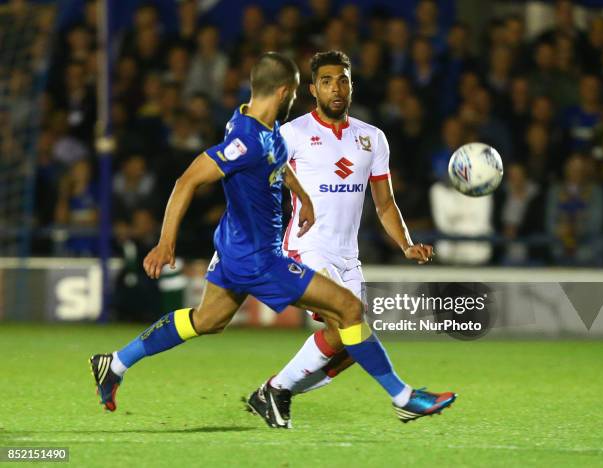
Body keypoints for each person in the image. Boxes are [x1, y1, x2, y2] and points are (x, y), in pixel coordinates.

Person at [89, 52, 456, 429]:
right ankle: (402, 397)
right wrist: (166, 243)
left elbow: (276, 162)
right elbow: (187, 181)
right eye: (301, 90)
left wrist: (306, 198)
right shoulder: (245, 140)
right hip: (259, 259)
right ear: (288, 91)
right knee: (348, 312)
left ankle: (115, 362)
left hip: (235, 249)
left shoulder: (262, 128)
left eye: (342, 79)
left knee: (208, 320)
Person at [245, 50, 451, 422]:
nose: (336, 88)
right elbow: (260, 177)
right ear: (312, 89)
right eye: (326, 81)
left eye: (343, 80)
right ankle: (403, 398)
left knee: (347, 343)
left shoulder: (372, 139)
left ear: (351, 86)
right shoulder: (292, 134)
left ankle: (275, 390)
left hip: (346, 255)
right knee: (348, 321)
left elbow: (385, 204)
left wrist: (405, 243)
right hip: (305, 248)